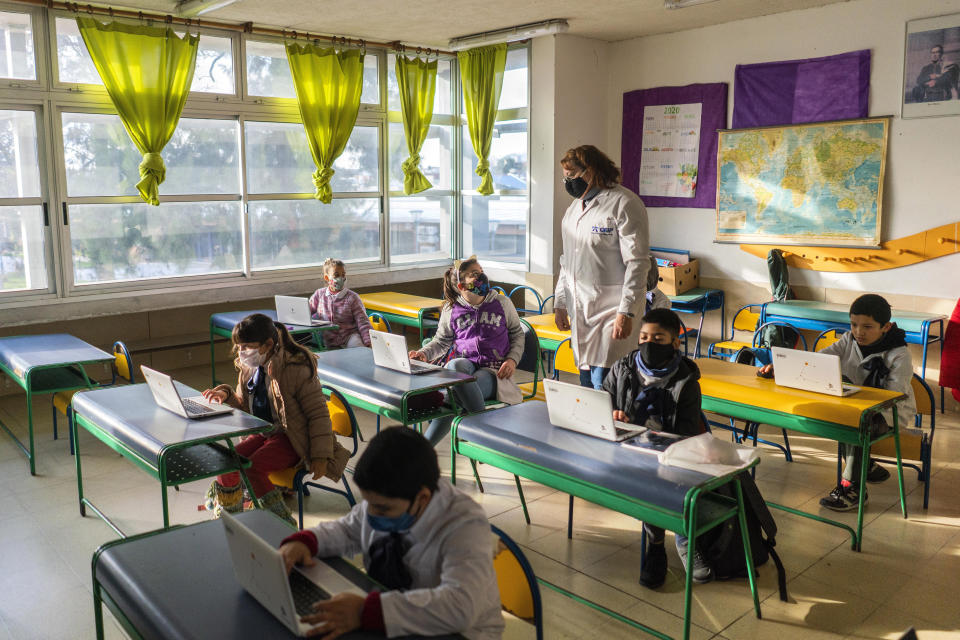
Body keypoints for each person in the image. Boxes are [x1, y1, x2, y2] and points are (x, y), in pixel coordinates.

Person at [278, 427, 505, 640]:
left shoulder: (464, 525)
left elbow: (459, 607)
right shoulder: (386, 497)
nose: (372, 514)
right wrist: (307, 541)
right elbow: (348, 530)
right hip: (398, 613)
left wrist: (366, 611)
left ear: (422, 498)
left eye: (383, 509)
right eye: (368, 503)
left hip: (461, 632)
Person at [759, 294, 916, 511]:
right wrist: (780, 367)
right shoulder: (848, 340)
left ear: (886, 327)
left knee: (856, 424)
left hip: (889, 412)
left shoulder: (900, 355)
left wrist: (852, 391)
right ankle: (865, 466)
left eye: (868, 327)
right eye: (854, 325)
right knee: (845, 417)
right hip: (855, 407)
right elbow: (817, 361)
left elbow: (893, 395)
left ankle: (853, 488)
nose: (859, 332)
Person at [202, 313, 350, 525]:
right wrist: (225, 395)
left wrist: (320, 456)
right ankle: (229, 520)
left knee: (253, 469)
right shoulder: (249, 367)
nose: (242, 353)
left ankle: (280, 525)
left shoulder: (295, 368)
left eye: (247, 346)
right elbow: (245, 405)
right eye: (239, 347)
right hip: (267, 432)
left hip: (294, 438)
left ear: (268, 344)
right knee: (227, 463)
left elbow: (318, 416)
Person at [601, 308, 708, 588]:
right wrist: (615, 415)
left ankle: (666, 542)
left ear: (675, 343)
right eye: (644, 337)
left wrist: (650, 434)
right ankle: (658, 538)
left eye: (658, 339)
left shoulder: (686, 382)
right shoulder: (623, 367)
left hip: (668, 454)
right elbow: (603, 401)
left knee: (661, 479)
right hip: (625, 448)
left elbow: (685, 436)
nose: (648, 344)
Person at [553, 145, 650, 390]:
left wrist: (626, 312)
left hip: (612, 310)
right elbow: (567, 261)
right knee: (587, 382)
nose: (567, 181)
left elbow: (637, 263)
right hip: (580, 309)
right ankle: (593, 429)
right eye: (564, 175)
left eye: (572, 174)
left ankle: (615, 428)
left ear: (592, 171)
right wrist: (560, 302)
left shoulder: (624, 203)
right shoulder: (574, 209)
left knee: (606, 383)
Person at [410, 257, 525, 446]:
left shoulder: (503, 303)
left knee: (455, 397)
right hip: (465, 365)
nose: (482, 276)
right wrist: (423, 353)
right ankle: (482, 434)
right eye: (474, 274)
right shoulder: (452, 309)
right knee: (455, 365)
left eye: (481, 271)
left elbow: (517, 334)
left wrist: (512, 360)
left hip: (495, 372)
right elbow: (441, 341)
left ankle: (424, 449)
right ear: (462, 285)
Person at [308, 258, 373, 349]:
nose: (341, 278)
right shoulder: (319, 295)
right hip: (329, 342)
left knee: (358, 351)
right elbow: (306, 311)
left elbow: (363, 322)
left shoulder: (352, 297)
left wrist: (369, 342)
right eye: (336, 275)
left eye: (343, 275)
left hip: (349, 337)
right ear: (327, 278)